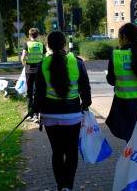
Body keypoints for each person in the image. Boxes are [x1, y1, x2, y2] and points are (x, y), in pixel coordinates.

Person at [31, 30, 92, 191]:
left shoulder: (42, 64)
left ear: (48, 46)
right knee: (71, 152)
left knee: (57, 152)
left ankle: (60, 186)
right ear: (64, 44)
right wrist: (85, 104)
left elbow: (39, 93)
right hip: (72, 115)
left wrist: (34, 109)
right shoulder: (77, 63)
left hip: (50, 116)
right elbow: (85, 88)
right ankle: (68, 187)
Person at [21, 28, 46, 123]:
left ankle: (29, 114)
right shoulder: (41, 45)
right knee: (38, 92)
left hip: (29, 71)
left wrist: (25, 65)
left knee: (30, 92)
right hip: (39, 71)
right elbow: (44, 58)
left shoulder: (26, 44)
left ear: (29, 35)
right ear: (38, 35)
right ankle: (37, 115)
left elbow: (23, 57)